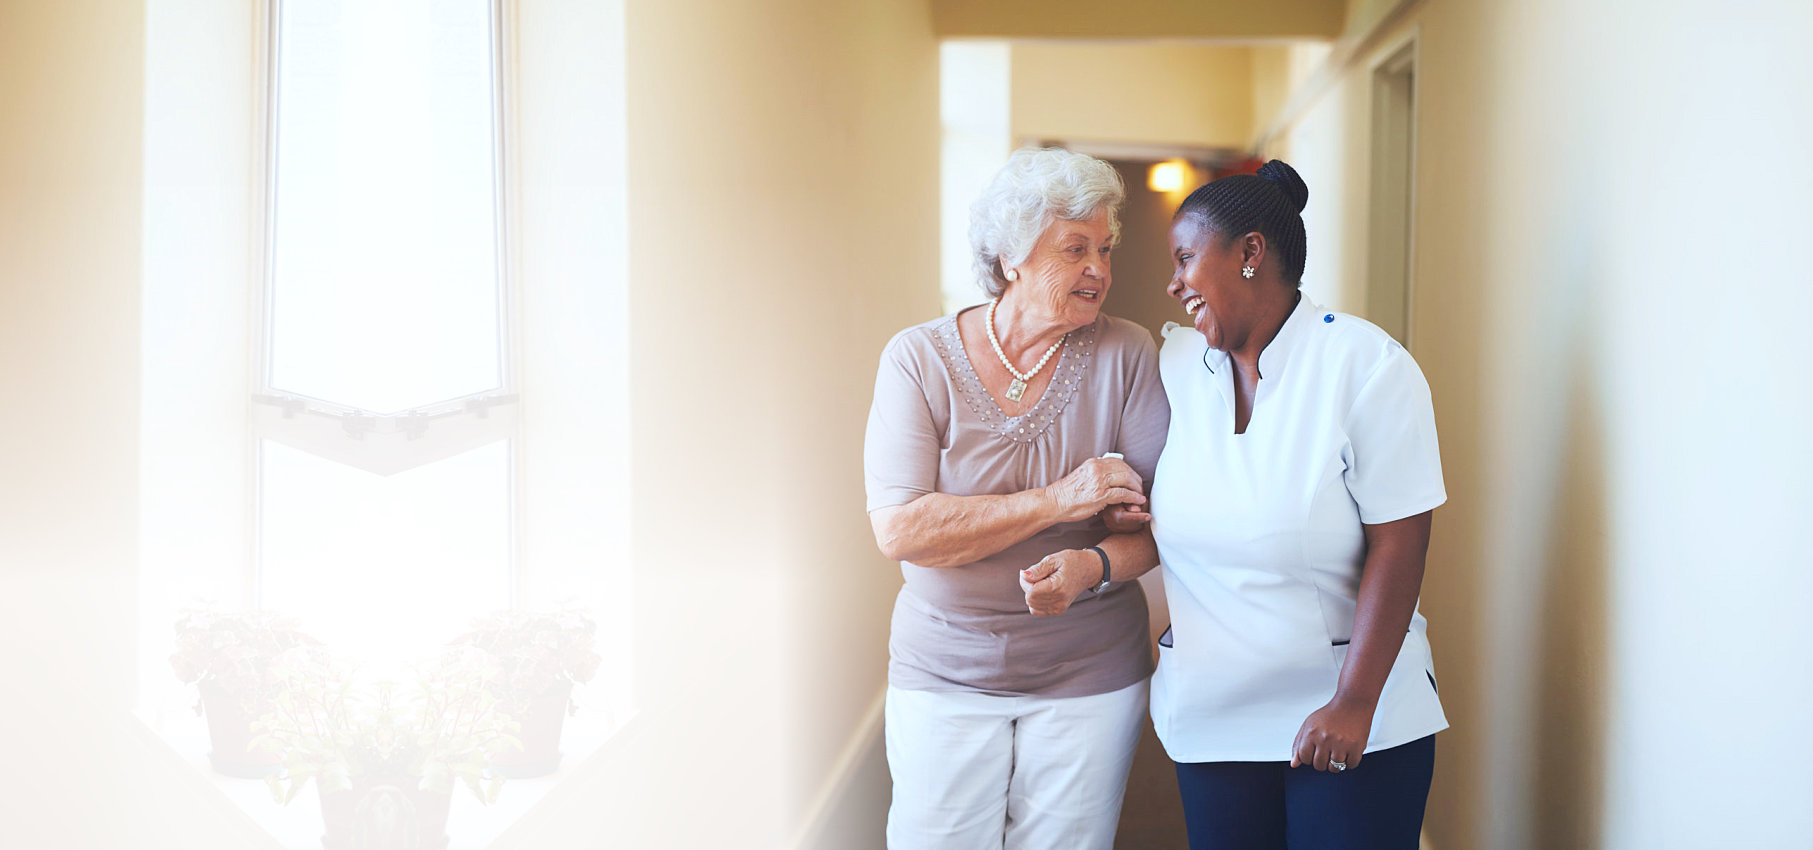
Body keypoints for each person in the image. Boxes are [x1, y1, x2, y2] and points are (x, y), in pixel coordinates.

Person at [863, 147, 1170, 850]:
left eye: (1104, 247)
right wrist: (1062, 501)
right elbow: (903, 530)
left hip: (1089, 670)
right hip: (943, 668)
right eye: (1074, 249)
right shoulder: (918, 360)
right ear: (1011, 259)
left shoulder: (1127, 353)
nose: (1099, 268)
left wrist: (1091, 566)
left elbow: (1164, 526)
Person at [1147, 160, 1448, 849]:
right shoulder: (1173, 370)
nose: (1172, 282)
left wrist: (1353, 701)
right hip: (1212, 716)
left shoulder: (1366, 366)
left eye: (1185, 258)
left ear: (1250, 253)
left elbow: (1399, 544)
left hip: (1346, 713)